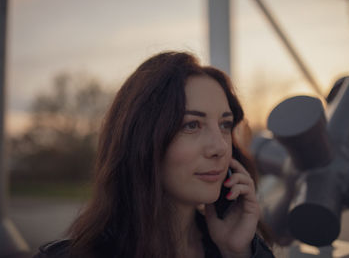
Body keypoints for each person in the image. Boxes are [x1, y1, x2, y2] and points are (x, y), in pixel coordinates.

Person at [33, 51, 275, 258]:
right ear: (141, 140)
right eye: (191, 125)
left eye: (224, 125)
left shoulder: (239, 246)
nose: (220, 147)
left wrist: (237, 253)